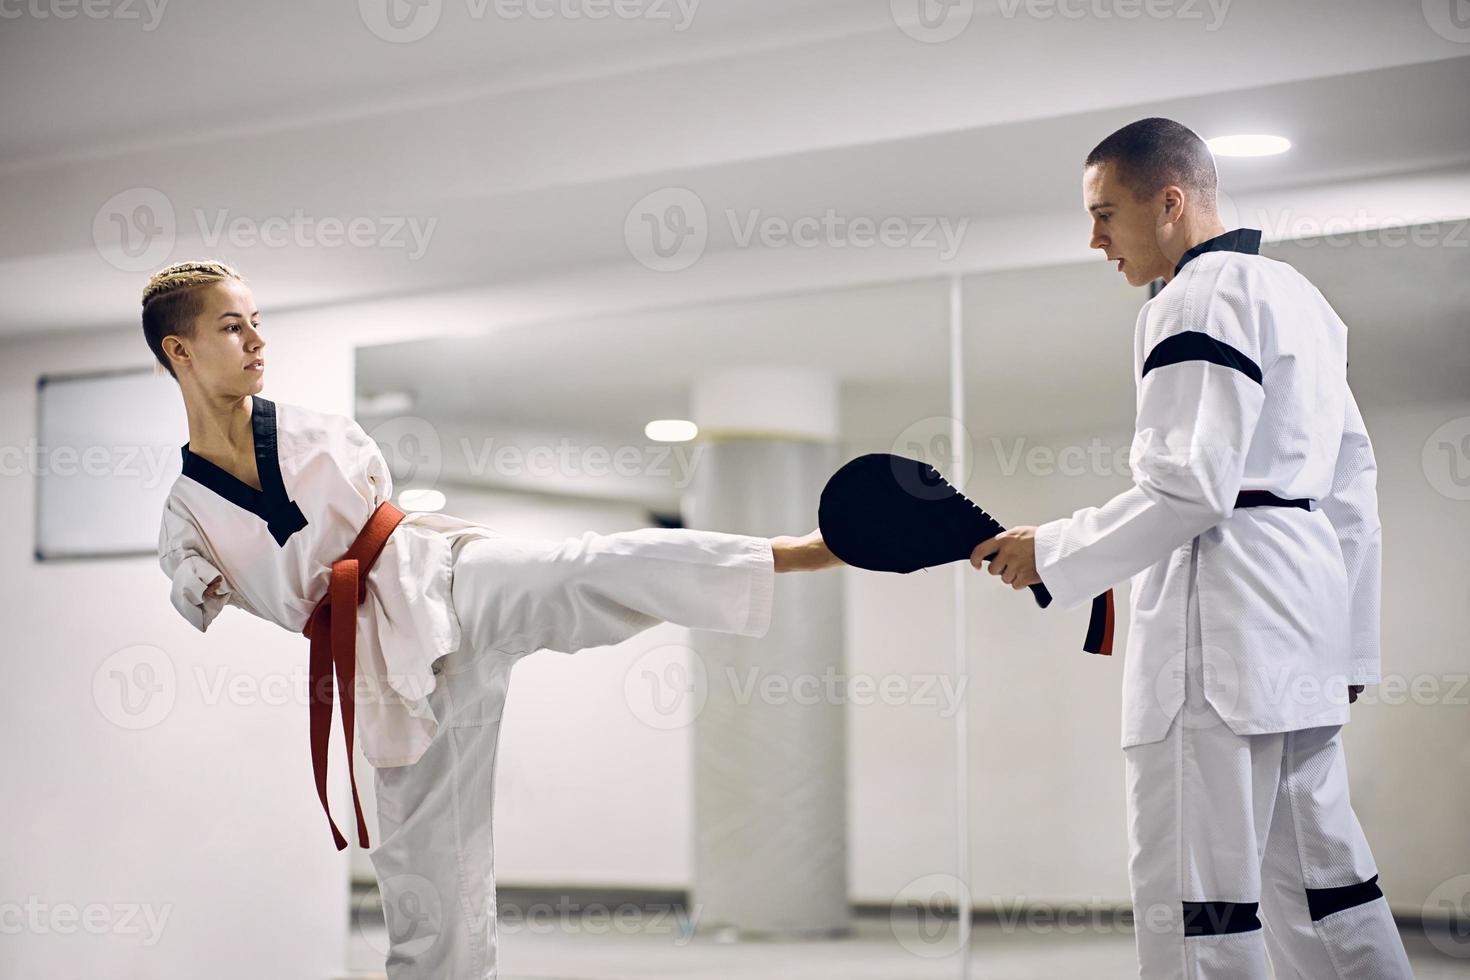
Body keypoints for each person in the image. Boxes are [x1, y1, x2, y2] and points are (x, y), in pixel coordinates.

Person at [144, 260, 844, 979]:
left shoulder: (318, 431)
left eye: (259, 324)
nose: (257, 341)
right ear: (180, 350)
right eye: (234, 327)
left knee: (583, 567)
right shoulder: (185, 517)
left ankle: (796, 553)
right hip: (379, 679)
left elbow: (367, 530)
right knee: (426, 893)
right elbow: (205, 591)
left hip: (438, 579)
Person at [969, 118, 1412, 979]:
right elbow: (1354, 488)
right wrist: (1352, 645)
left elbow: (1188, 487)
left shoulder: (1191, 298)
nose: (1094, 239)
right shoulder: (1303, 302)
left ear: (1170, 203)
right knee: (1327, 886)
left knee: (1200, 903)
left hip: (1221, 637)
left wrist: (1050, 550)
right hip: (1305, 628)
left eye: (1106, 215)